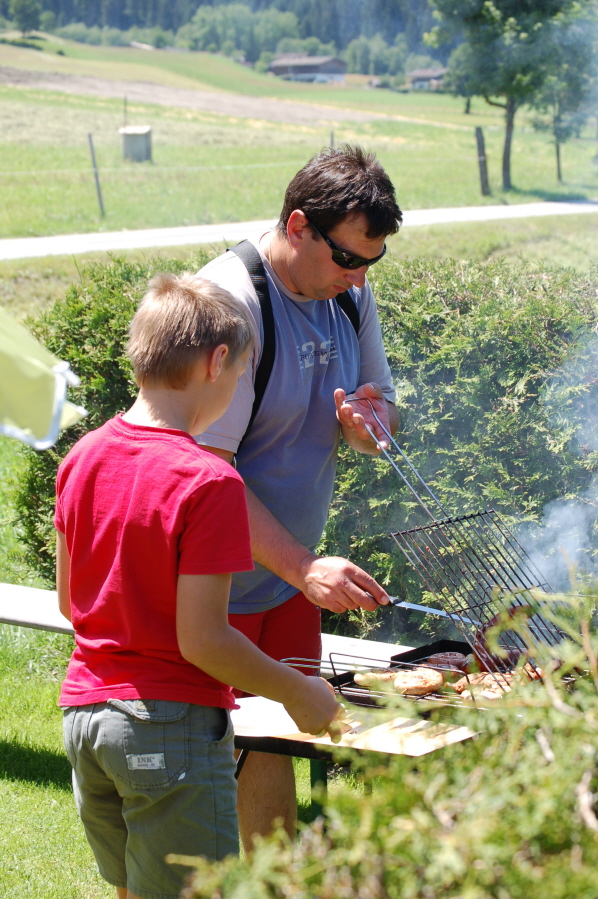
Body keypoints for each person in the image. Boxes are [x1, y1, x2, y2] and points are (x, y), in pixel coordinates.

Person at [54, 273, 341, 899]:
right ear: (217, 363)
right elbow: (205, 641)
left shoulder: (82, 458)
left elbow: (71, 602)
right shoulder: (208, 482)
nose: (236, 384)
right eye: (239, 374)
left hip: (86, 720)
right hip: (168, 728)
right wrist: (299, 691)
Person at [195, 145, 403, 849]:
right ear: (297, 225)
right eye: (349, 258)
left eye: (371, 262)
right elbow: (204, 470)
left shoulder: (350, 292)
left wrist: (368, 426)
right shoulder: (230, 303)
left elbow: (384, 409)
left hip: (287, 578)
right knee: (198, 782)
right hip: (208, 584)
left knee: (275, 747)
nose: (359, 276)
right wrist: (303, 568)